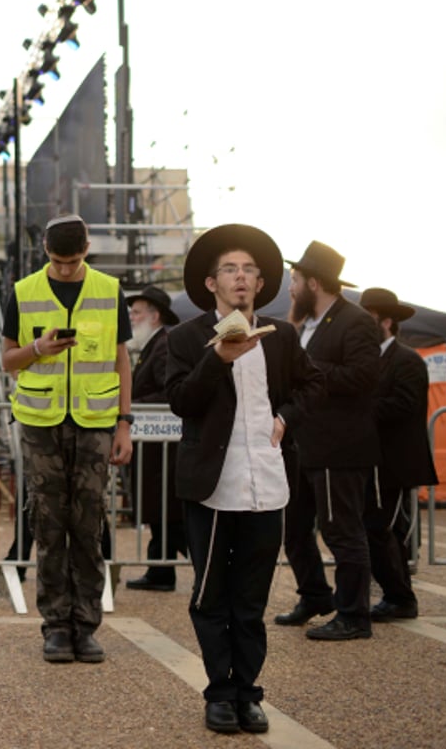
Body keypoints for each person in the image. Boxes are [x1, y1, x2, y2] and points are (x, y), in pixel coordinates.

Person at [166, 224, 323, 734]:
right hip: (213, 485)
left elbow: (313, 385)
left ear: (260, 284)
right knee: (212, 595)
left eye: (249, 270)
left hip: (268, 484)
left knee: (252, 599)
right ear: (211, 283)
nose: (240, 277)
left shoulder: (282, 337)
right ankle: (219, 693)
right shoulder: (186, 337)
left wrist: (287, 417)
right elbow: (180, 402)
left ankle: (249, 693)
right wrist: (217, 359)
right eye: (230, 269)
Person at [0, 213, 133, 664]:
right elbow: (7, 361)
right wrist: (38, 349)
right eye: (58, 262)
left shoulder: (110, 291)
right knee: (48, 525)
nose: (66, 269)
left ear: (87, 250)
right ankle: (56, 626)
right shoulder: (22, 292)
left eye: (73, 261)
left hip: (95, 422)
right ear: (45, 252)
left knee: (88, 525)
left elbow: (121, 361)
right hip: (41, 423)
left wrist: (124, 423)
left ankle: (86, 624)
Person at [275, 241, 381, 641]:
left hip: (339, 446)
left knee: (341, 532)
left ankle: (354, 615)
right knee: (294, 527)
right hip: (304, 446)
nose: (291, 288)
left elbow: (364, 377)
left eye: (296, 281)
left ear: (314, 284)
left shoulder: (354, 321)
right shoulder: (307, 325)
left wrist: (307, 369)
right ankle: (316, 596)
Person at [360, 287, 439, 621]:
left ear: (387, 322)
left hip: (396, 462)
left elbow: (404, 405)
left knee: (382, 529)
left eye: (370, 320)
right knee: (377, 530)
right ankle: (396, 595)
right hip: (374, 461)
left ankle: (400, 597)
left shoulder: (407, 360)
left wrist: (359, 408)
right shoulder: (367, 359)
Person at [122, 285, 185, 592]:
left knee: (166, 509)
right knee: (160, 509)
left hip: (163, 444)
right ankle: (160, 568)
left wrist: (134, 405)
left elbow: (167, 392)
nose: (131, 318)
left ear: (154, 315)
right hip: (152, 444)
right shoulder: (152, 345)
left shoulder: (164, 345)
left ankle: (172, 567)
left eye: (136, 312)